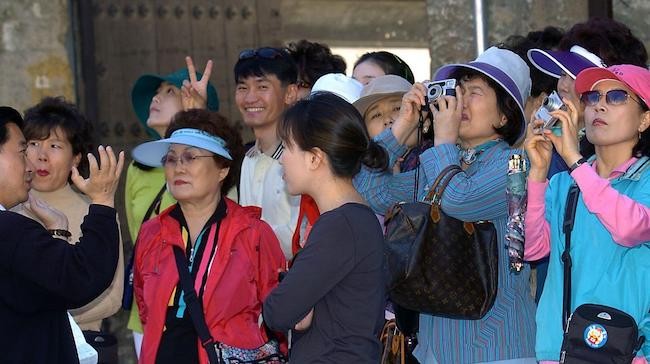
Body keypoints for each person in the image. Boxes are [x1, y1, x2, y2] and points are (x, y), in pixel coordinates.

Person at [355, 46, 537, 363]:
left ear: (504, 114)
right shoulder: (437, 164)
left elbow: (458, 201)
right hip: (435, 352)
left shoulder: (517, 165)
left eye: (474, 93)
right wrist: (403, 125)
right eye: (458, 90)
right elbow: (368, 189)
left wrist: (443, 141)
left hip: (497, 350)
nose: (459, 100)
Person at [132, 109, 286, 363]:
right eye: (171, 159)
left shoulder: (253, 234)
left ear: (223, 170)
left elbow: (277, 312)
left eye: (190, 157)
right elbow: (146, 308)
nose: (178, 167)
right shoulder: (152, 232)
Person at [524, 64, 650, 364]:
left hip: (625, 352)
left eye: (617, 97)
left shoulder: (644, 179)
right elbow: (532, 249)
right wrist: (538, 174)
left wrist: (574, 161)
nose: (600, 106)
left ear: (645, 120)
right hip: (558, 351)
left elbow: (630, 228)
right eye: (593, 97)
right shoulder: (564, 183)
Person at [263, 92, 388, 362]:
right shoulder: (349, 220)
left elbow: (278, 311)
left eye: (287, 146)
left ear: (314, 158)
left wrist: (296, 301)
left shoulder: (341, 225)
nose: (281, 158)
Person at [0, 106, 125, 363]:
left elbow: (44, 284)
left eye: (55, 146)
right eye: (27, 149)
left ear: (76, 157)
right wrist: (102, 201)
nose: (35, 161)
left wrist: (57, 230)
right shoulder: (11, 227)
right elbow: (78, 277)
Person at [125, 57, 220, 356]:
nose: (156, 97)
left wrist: (197, 118)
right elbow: (139, 238)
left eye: (169, 92)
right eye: (158, 91)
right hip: (147, 312)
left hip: (206, 310)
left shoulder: (217, 166)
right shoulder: (138, 168)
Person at [235, 46, 301, 260]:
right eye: (242, 88)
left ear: (290, 93)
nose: (250, 98)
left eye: (262, 86)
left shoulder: (303, 158)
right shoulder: (248, 159)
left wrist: (242, 238)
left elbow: (298, 239)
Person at [353, 74, 431, 172]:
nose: (387, 119)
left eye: (397, 108)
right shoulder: (358, 173)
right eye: (376, 115)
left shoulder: (440, 160)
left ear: (425, 122)